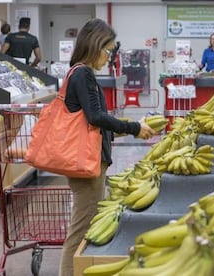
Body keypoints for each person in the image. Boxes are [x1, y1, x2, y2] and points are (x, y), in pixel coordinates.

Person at [58, 18, 156, 276]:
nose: (109, 56)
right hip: (85, 163)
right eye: (108, 50)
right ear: (95, 45)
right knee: (81, 230)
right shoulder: (83, 74)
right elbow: (96, 117)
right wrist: (133, 128)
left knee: (85, 225)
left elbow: (96, 119)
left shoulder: (80, 74)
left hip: (86, 161)